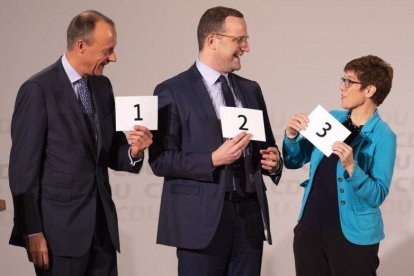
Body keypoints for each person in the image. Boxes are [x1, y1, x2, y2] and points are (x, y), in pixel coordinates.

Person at [8, 10, 153, 276]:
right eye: (107, 50)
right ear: (81, 46)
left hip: (102, 232)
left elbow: (108, 150)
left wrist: (133, 151)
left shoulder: (102, 86)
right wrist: (32, 230)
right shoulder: (38, 90)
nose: (114, 57)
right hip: (58, 236)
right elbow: (22, 170)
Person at [149, 6, 282, 276]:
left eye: (246, 39)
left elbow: (266, 145)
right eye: (239, 40)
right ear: (212, 40)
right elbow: (160, 159)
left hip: (248, 219)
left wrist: (274, 161)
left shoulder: (250, 89)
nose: (246, 47)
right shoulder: (171, 91)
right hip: (201, 223)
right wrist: (212, 160)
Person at [283, 55, 396, 276]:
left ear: (369, 90)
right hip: (310, 230)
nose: (341, 87)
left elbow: (377, 195)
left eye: (348, 81)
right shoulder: (331, 118)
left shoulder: (384, 136)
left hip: (353, 236)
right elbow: (293, 160)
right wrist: (291, 135)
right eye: (342, 80)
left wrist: (352, 167)